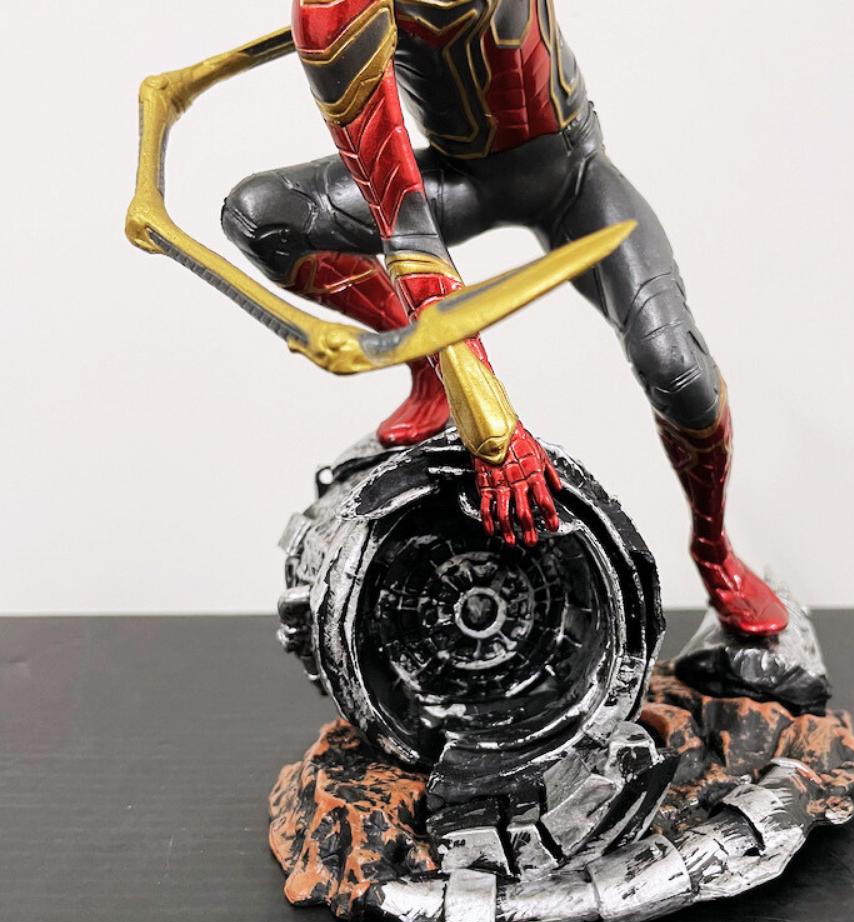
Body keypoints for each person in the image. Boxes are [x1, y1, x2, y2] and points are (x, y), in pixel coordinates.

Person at [221, 0, 787, 636]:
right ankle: (432, 374)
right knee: (260, 215)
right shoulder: (337, 11)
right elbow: (407, 229)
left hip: (574, 173)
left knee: (676, 369)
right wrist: (491, 424)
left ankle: (714, 549)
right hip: (459, 182)